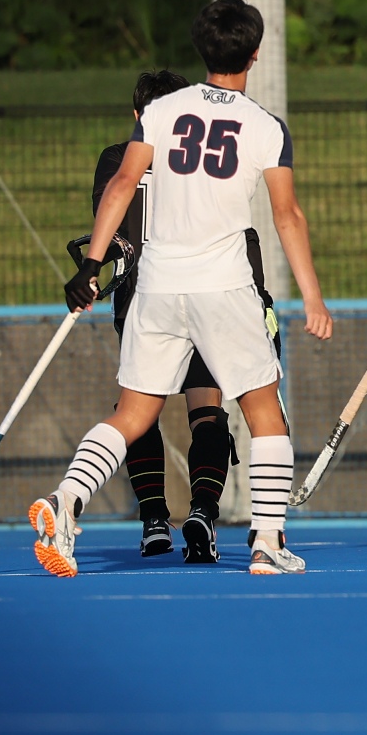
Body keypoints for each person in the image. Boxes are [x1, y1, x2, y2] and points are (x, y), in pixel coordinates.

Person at [33, 0, 333, 577]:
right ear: (255, 54)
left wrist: (90, 265)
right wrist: (312, 296)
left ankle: (66, 499)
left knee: (131, 415)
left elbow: (123, 183)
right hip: (224, 287)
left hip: (157, 286)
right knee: (265, 414)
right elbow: (287, 215)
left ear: (200, 48)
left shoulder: (162, 110)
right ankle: (266, 542)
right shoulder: (266, 126)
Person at [92, 66, 250, 562]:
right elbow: (240, 232)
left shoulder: (117, 159)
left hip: (143, 302)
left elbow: (111, 225)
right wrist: (259, 296)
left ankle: (154, 520)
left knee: (137, 413)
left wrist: (92, 266)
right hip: (205, 295)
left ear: (137, 114)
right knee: (207, 410)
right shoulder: (206, 161)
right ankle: (202, 512)